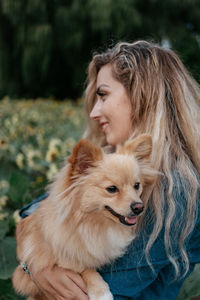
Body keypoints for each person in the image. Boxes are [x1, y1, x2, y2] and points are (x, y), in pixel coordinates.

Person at [19, 40, 200, 300]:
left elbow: (91, 294)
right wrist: (34, 265)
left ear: (142, 95)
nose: (94, 112)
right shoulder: (119, 162)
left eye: (102, 95)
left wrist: (39, 264)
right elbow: (31, 214)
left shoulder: (177, 190)